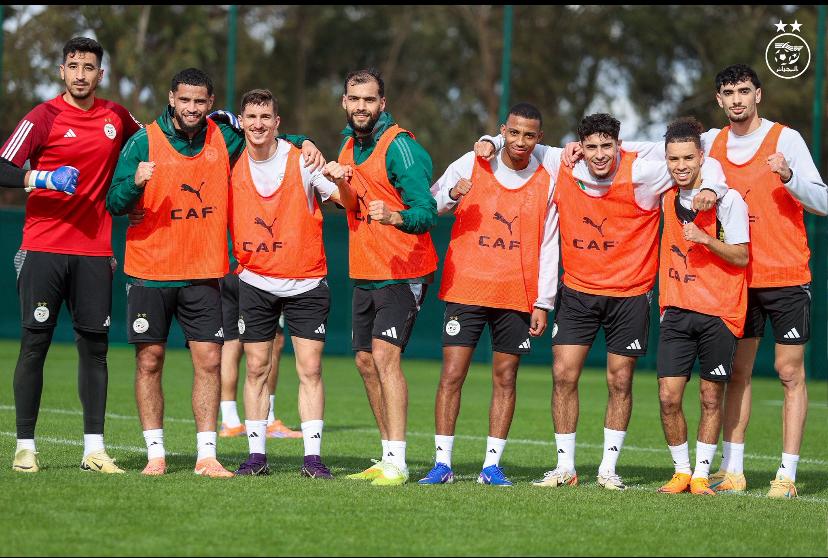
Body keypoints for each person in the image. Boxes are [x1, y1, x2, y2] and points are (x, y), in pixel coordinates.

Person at [475, 113, 724, 490]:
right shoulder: (562, 164)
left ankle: (608, 469)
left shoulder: (644, 173)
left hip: (630, 294)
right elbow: (519, 142)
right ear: (580, 146)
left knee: (620, 380)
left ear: (618, 146)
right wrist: (490, 141)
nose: (599, 154)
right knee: (563, 374)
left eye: (607, 146)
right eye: (591, 146)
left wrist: (714, 188)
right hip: (578, 292)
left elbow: (702, 158)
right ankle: (565, 468)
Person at [625, 64, 827, 498]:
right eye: (729, 93)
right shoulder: (711, 142)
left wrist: (789, 177)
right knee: (737, 373)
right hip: (736, 280)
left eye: (744, 91)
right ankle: (733, 469)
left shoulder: (785, 139)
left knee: (789, 372)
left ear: (758, 94)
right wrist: (582, 148)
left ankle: (787, 474)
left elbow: (823, 202)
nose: (737, 100)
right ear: (718, 100)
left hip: (785, 273)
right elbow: (656, 147)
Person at [106, 69, 318, 477]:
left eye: (200, 101)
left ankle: (207, 455)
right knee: (149, 360)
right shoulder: (143, 141)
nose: (192, 108)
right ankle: (156, 454)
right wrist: (135, 183)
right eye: (185, 100)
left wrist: (303, 140)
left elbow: (264, 136)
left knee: (209, 361)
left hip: (204, 273)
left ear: (210, 102)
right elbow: (114, 202)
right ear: (172, 98)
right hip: (150, 271)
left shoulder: (224, 136)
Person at [1, 37, 141, 474]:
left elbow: (156, 142)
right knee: (34, 345)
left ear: (101, 74)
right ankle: (25, 447)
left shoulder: (117, 117)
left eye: (89, 67)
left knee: (95, 349)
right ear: (62, 71)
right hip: (43, 248)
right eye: (74, 66)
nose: (81, 75)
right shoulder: (42, 117)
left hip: (95, 252)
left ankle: (94, 451)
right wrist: (42, 178)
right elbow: (3, 166)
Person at [419, 103, 556, 486]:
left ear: (539, 138)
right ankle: (442, 465)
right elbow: (430, 204)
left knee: (506, 377)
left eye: (529, 135)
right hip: (467, 287)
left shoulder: (547, 179)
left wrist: (543, 302)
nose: (521, 141)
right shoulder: (472, 162)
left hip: (516, 293)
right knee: (452, 374)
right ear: (503, 131)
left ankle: (491, 467)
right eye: (514, 132)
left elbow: (550, 243)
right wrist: (453, 192)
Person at [229, 88, 348, 477]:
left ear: (277, 122)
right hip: (255, 281)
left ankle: (313, 459)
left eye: (266, 117)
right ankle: (256, 456)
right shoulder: (230, 162)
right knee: (256, 367)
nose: (258, 124)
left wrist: (341, 179)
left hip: (306, 282)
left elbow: (344, 201)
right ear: (241, 122)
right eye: (251, 117)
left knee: (310, 369)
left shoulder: (302, 160)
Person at [332, 68, 438, 486]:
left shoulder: (401, 147)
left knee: (384, 357)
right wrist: (339, 184)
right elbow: (349, 204)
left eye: (369, 99)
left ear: (382, 103)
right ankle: (386, 456)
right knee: (364, 361)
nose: (361, 107)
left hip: (403, 271)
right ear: (345, 102)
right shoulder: (347, 146)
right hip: (366, 270)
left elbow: (426, 212)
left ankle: (398, 461)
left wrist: (394, 216)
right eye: (355, 99)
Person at [653, 118, 749, 496]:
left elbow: (741, 256)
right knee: (668, 396)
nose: (681, 166)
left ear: (701, 158)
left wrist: (706, 239)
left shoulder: (729, 200)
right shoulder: (665, 197)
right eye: (673, 159)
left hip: (720, 312)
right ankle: (681, 471)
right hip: (677, 310)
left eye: (688, 158)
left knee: (711, 398)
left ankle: (701, 476)